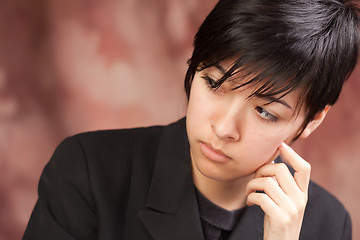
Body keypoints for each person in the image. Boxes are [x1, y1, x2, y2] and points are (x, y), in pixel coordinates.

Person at [23, 0, 359, 239]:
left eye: (264, 111)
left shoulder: (328, 224)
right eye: (213, 83)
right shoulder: (89, 171)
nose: (224, 129)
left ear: (313, 120)